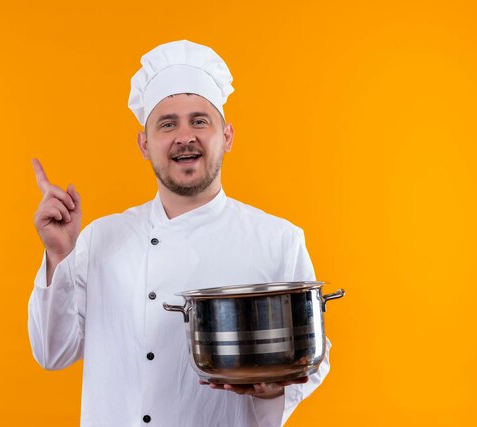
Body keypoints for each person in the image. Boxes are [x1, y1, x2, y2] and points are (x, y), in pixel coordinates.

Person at [28, 40, 330, 427]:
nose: (184, 136)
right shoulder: (100, 238)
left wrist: (274, 388)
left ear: (228, 137)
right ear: (144, 144)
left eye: (199, 121)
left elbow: (312, 356)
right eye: (167, 124)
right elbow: (52, 353)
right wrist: (59, 257)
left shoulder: (277, 240)